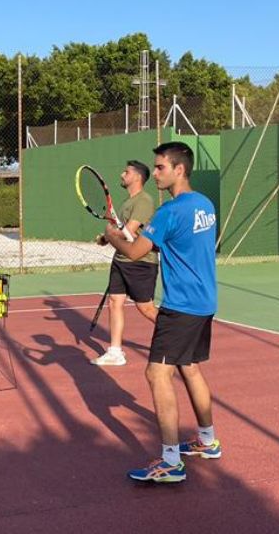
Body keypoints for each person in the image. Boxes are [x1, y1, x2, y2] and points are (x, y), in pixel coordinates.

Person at [103, 141, 221, 484]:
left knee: (157, 375)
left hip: (181, 305)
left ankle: (171, 462)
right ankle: (207, 440)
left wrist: (111, 237)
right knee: (189, 368)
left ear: (178, 169)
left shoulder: (170, 212)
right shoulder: (204, 204)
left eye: (160, 168)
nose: (155, 173)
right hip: (205, 302)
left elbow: (136, 251)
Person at [92, 160, 159, 367]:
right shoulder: (127, 202)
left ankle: (177, 337)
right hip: (120, 260)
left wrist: (109, 233)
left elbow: (129, 231)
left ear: (137, 177)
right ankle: (115, 352)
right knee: (115, 302)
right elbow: (118, 232)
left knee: (146, 308)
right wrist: (106, 238)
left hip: (140, 262)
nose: (122, 174)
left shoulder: (144, 201)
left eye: (126, 172)